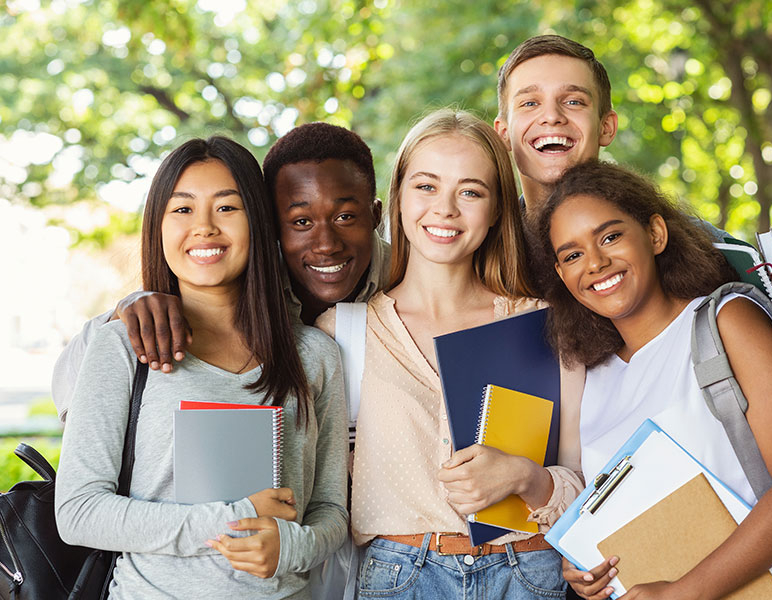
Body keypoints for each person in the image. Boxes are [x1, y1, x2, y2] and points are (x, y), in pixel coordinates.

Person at [493, 34, 772, 401]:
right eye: (529, 103)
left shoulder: (684, 242)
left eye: (574, 101)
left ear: (607, 126)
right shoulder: (481, 252)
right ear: (503, 133)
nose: (552, 117)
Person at [54, 136, 349, 599]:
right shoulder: (122, 347)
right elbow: (78, 511)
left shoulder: (315, 355)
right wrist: (231, 519)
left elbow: (331, 508)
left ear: (259, 221)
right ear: (158, 226)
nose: (205, 228)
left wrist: (293, 544)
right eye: (183, 209)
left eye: (228, 208)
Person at [315, 109, 587, 599]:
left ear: (498, 207)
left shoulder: (546, 325)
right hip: (400, 577)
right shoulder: (343, 333)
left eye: (470, 191)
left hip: (527, 572)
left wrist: (526, 477)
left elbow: (586, 483)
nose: (445, 209)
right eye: (425, 186)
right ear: (395, 198)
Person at [538, 160, 772, 599]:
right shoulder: (591, 375)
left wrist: (685, 592)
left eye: (610, 236)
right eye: (572, 255)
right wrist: (586, 565)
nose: (596, 262)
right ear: (562, 275)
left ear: (655, 234)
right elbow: (617, 505)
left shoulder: (726, 321)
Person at [51, 123, 389, 421]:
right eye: (300, 222)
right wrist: (124, 313)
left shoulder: (408, 280)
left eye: (345, 217)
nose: (326, 244)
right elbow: (70, 396)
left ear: (375, 215)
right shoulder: (235, 284)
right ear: (269, 224)